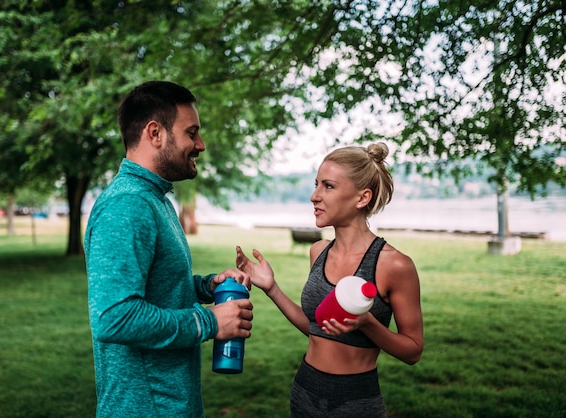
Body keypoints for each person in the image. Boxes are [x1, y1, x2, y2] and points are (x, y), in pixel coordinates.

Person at [84, 80, 254, 418]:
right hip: (146, 408)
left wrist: (208, 286)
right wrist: (209, 322)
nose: (200, 145)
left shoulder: (154, 199)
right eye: (192, 133)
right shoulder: (127, 206)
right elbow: (114, 318)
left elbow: (155, 288)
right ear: (155, 133)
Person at [236, 143, 423, 418]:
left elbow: (413, 351)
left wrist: (367, 323)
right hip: (304, 390)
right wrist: (272, 288)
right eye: (316, 185)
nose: (314, 196)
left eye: (328, 186)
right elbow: (317, 328)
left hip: (355, 402)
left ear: (362, 198)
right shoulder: (319, 252)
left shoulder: (394, 264)